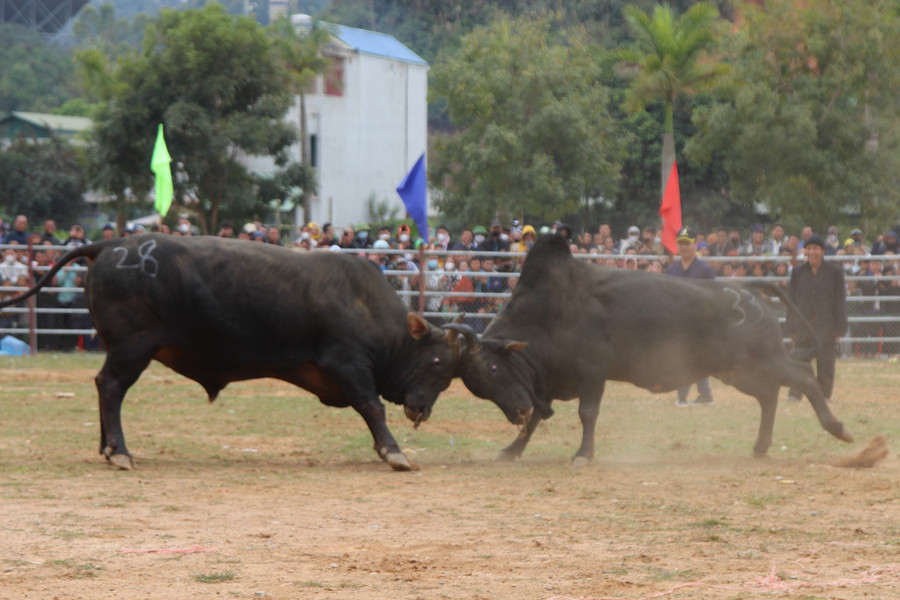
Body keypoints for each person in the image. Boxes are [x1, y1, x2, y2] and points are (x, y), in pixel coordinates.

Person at [785, 234, 848, 402]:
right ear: (805, 251)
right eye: (809, 248)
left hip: (826, 325)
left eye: (815, 249)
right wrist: (790, 326)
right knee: (799, 361)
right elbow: (791, 299)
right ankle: (795, 394)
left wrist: (840, 326)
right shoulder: (798, 272)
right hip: (803, 324)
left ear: (822, 251)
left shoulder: (835, 272)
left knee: (826, 363)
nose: (812, 252)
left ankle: (823, 395)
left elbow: (839, 300)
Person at [665, 227, 716, 406]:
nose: (684, 247)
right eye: (681, 244)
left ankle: (685, 394)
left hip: (699, 322)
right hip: (678, 322)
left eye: (687, 243)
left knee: (693, 358)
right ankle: (702, 394)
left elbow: (714, 296)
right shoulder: (672, 271)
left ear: (695, 244)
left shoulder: (705, 271)